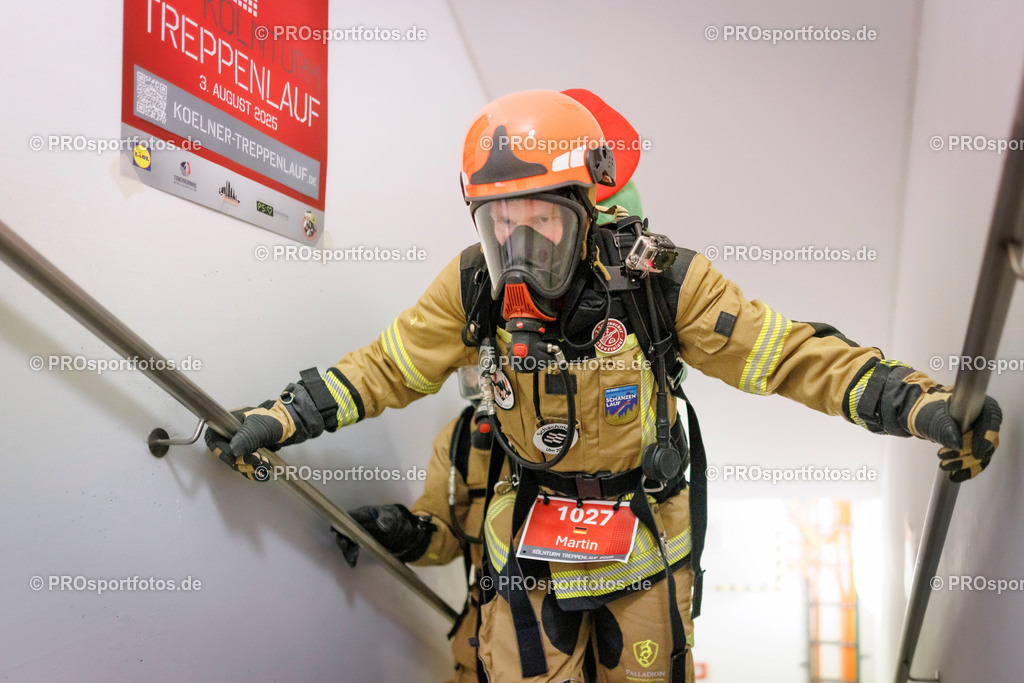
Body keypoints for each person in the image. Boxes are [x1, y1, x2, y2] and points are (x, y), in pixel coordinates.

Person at [205, 90, 1002, 683]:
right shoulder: (474, 284)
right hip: (528, 547)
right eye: (500, 222)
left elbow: (789, 356)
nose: (519, 245)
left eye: (542, 219)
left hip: (645, 546)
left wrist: (922, 405)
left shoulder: (662, 283)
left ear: (589, 208)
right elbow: (386, 366)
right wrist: (283, 417)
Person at [331, 365, 500, 683]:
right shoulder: (461, 439)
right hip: (484, 637)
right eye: (474, 366)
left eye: (493, 363)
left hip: (569, 622)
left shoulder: (569, 435)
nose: (482, 376)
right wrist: (399, 531)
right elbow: (446, 533)